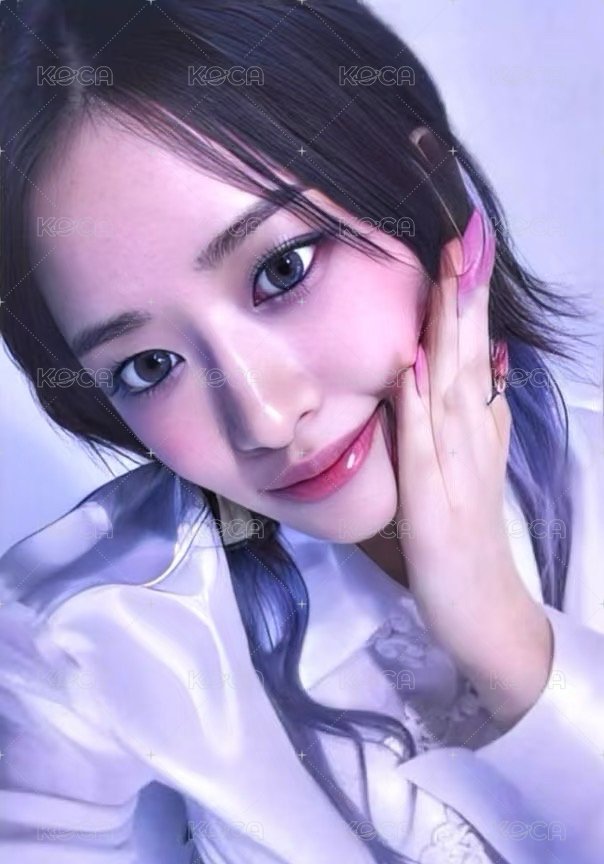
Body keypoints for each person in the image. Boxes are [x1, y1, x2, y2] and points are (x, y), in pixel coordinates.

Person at [0, 1, 602, 862]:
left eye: (283, 271)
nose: (265, 417)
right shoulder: (93, 636)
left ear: (427, 189)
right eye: (149, 366)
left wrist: (504, 637)